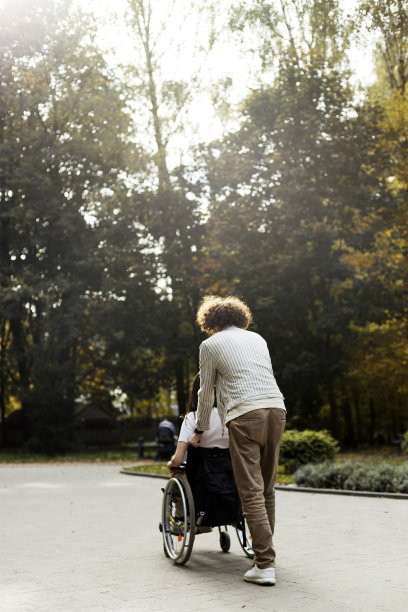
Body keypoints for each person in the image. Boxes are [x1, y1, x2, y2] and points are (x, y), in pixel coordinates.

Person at [189, 295, 286, 586]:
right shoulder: (258, 339)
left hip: (244, 414)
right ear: (240, 317)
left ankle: (265, 564)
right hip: (276, 409)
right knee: (267, 489)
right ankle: (263, 557)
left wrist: (201, 428)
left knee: (251, 492)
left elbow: (205, 393)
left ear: (210, 321)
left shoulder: (209, 345)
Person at [167, 373, 232, 533]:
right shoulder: (232, 417)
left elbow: (178, 459)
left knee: (177, 470)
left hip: (202, 480)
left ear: (197, 391)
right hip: (230, 477)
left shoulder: (192, 418)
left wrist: (171, 463)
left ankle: (180, 519)